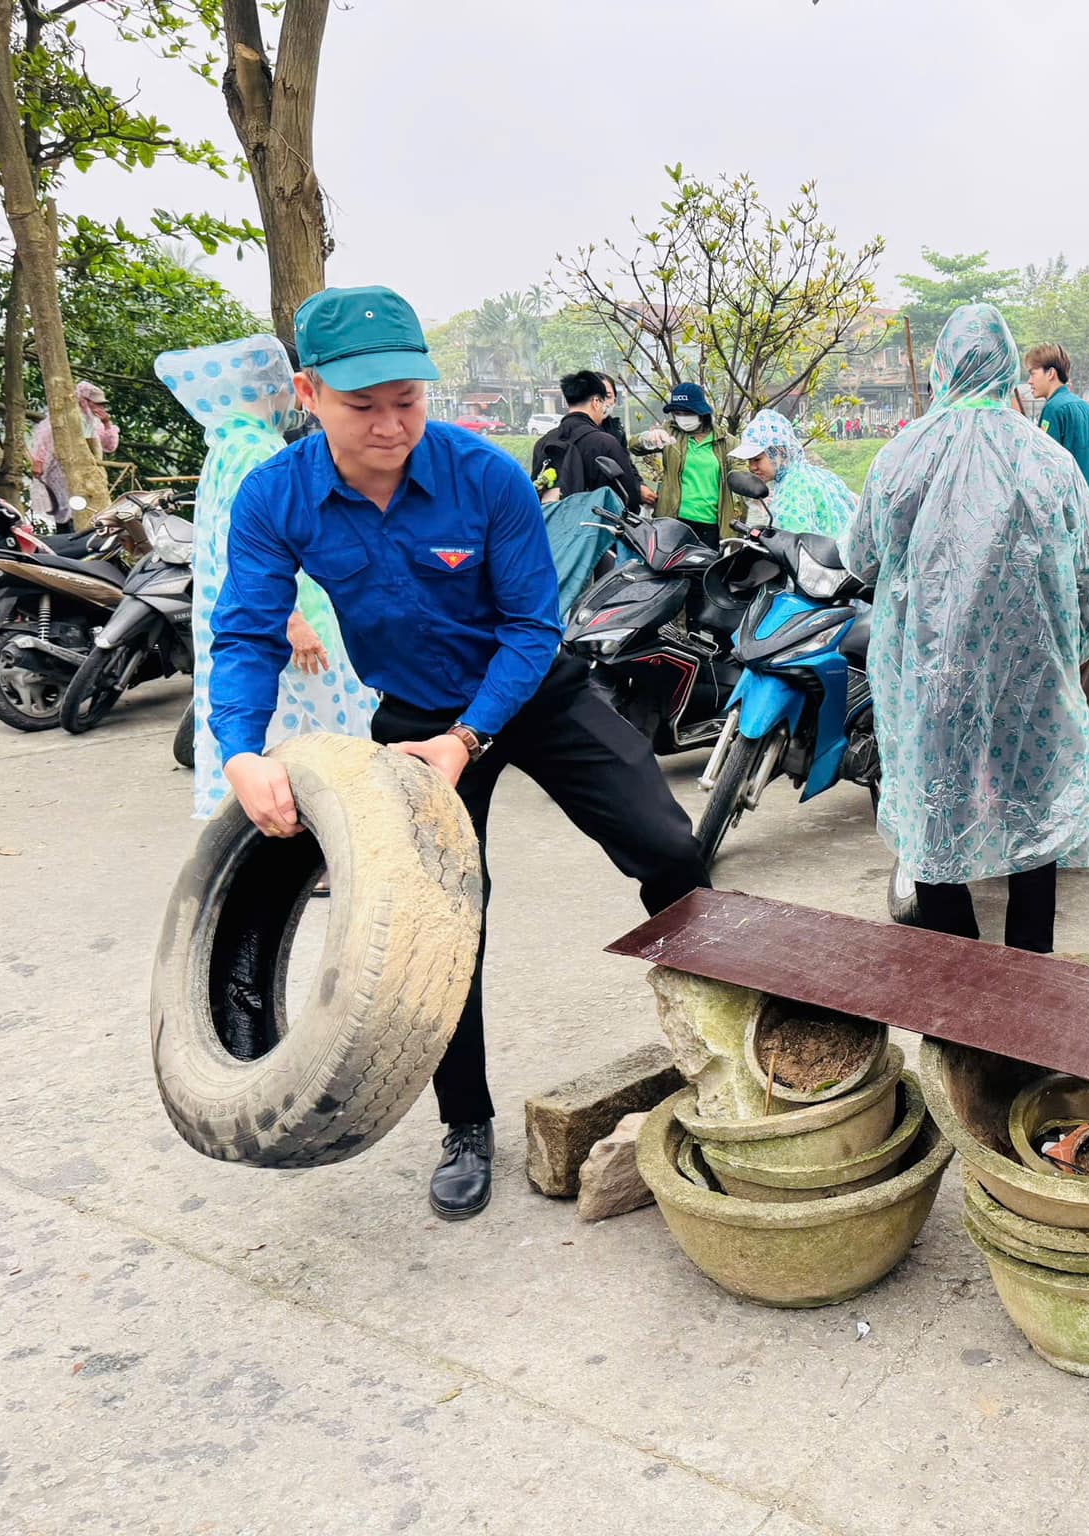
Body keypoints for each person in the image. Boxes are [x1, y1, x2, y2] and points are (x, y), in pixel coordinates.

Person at [208, 285, 709, 1221]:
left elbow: (529, 625)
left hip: (534, 693)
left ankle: (723, 1035)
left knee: (672, 849)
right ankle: (465, 1121)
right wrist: (241, 750)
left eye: (408, 399)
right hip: (411, 715)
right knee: (440, 927)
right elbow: (243, 636)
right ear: (309, 394)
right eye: (363, 406)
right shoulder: (276, 496)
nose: (391, 424)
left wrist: (469, 738)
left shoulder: (486, 477)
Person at [845, 305, 1089, 955]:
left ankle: (955, 971)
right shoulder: (1046, 459)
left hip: (933, 679)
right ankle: (1026, 973)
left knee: (937, 811)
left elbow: (861, 558)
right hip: (1031, 678)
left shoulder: (902, 454)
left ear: (941, 368)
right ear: (1010, 369)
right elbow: (1086, 576)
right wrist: (1073, 654)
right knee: (1032, 811)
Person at [155, 334, 376, 822]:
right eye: (279, 385)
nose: (287, 396)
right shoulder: (256, 450)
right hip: (290, 620)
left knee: (278, 732)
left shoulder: (227, 443)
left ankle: (284, 839)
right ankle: (331, 842)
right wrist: (293, 620)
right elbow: (257, 551)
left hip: (254, 622)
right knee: (330, 736)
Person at [727, 409, 858, 537]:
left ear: (780, 453)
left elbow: (792, 543)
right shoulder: (813, 474)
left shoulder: (793, 489)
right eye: (749, 460)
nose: (752, 467)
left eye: (757, 459)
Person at [644, 381, 740, 542]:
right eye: (677, 413)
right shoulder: (670, 432)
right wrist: (648, 439)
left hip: (709, 524)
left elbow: (740, 470)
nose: (682, 418)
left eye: (687, 412)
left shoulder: (727, 442)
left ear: (701, 412)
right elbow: (635, 447)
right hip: (672, 521)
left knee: (705, 566)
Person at [532, 370, 641, 509]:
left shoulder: (543, 442)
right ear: (596, 402)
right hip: (595, 528)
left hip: (552, 527)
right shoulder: (606, 443)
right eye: (602, 402)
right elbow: (629, 498)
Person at [28, 380, 119, 529]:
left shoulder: (94, 423)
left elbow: (110, 446)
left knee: (88, 508)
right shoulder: (65, 417)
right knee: (65, 507)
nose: (98, 407)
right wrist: (39, 461)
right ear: (84, 401)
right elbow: (44, 440)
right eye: (95, 403)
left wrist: (106, 423)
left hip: (87, 473)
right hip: (61, 469)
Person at [1025, 343, 1089, 506]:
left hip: (1067, 506)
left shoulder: (1053, 409)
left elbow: (1045, 467)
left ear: (1051, 373)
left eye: (1033, 374)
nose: (1029, 381)